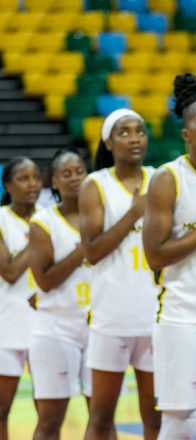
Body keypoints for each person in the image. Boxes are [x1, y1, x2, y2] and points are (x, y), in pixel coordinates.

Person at [142, 73, 196, 440]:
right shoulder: (167, 179)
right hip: (183, 315)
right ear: (186, 134)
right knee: (180, 419)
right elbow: (155, 255)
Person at [80, 109, 160, 440]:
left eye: (139, 131)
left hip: (157, 315)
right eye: (124, 132)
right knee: (101, 418)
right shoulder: (95, 184)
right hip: (111, 317)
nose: (134, 138)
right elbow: (93, 251)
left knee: (156, 419)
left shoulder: (162, 178)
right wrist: (133, 212)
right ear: (108, 142)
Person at [28, 149, 92, 439]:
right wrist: (82, 251)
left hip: (99, 326)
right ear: (53, 181)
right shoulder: (43, 222)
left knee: (102, 418)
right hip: (57, 327)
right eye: (66, 174)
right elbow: (44, 281)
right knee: (50, 422)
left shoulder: (104, 218)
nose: (74, 178)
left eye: (79, 171)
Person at [0, 156, 41, 440]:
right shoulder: (2, 219)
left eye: (36, 177)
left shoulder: (52, 216)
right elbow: (10, 271)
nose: (32, 184)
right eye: (23, 178)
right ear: (7, 184)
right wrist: (39, 237)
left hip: (45, 325)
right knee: (2, 409)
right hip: (7, 324)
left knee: (49, 409)